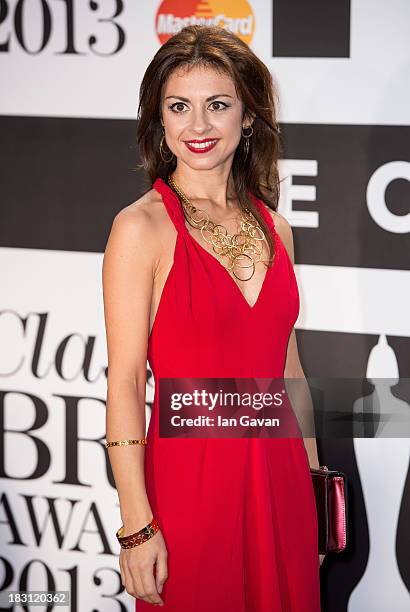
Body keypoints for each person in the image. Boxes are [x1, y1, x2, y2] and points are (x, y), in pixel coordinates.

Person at [102, 24, 324, 611]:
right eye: (179, 107)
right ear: (159, 118)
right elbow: (124, 381)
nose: (197, 127)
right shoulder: (141, 227)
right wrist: (137, 525)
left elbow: (289, 370)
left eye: (217, 105)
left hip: (281, 482)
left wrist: (314, 485)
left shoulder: (276, 228)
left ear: (248, 117)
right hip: (192, 483)